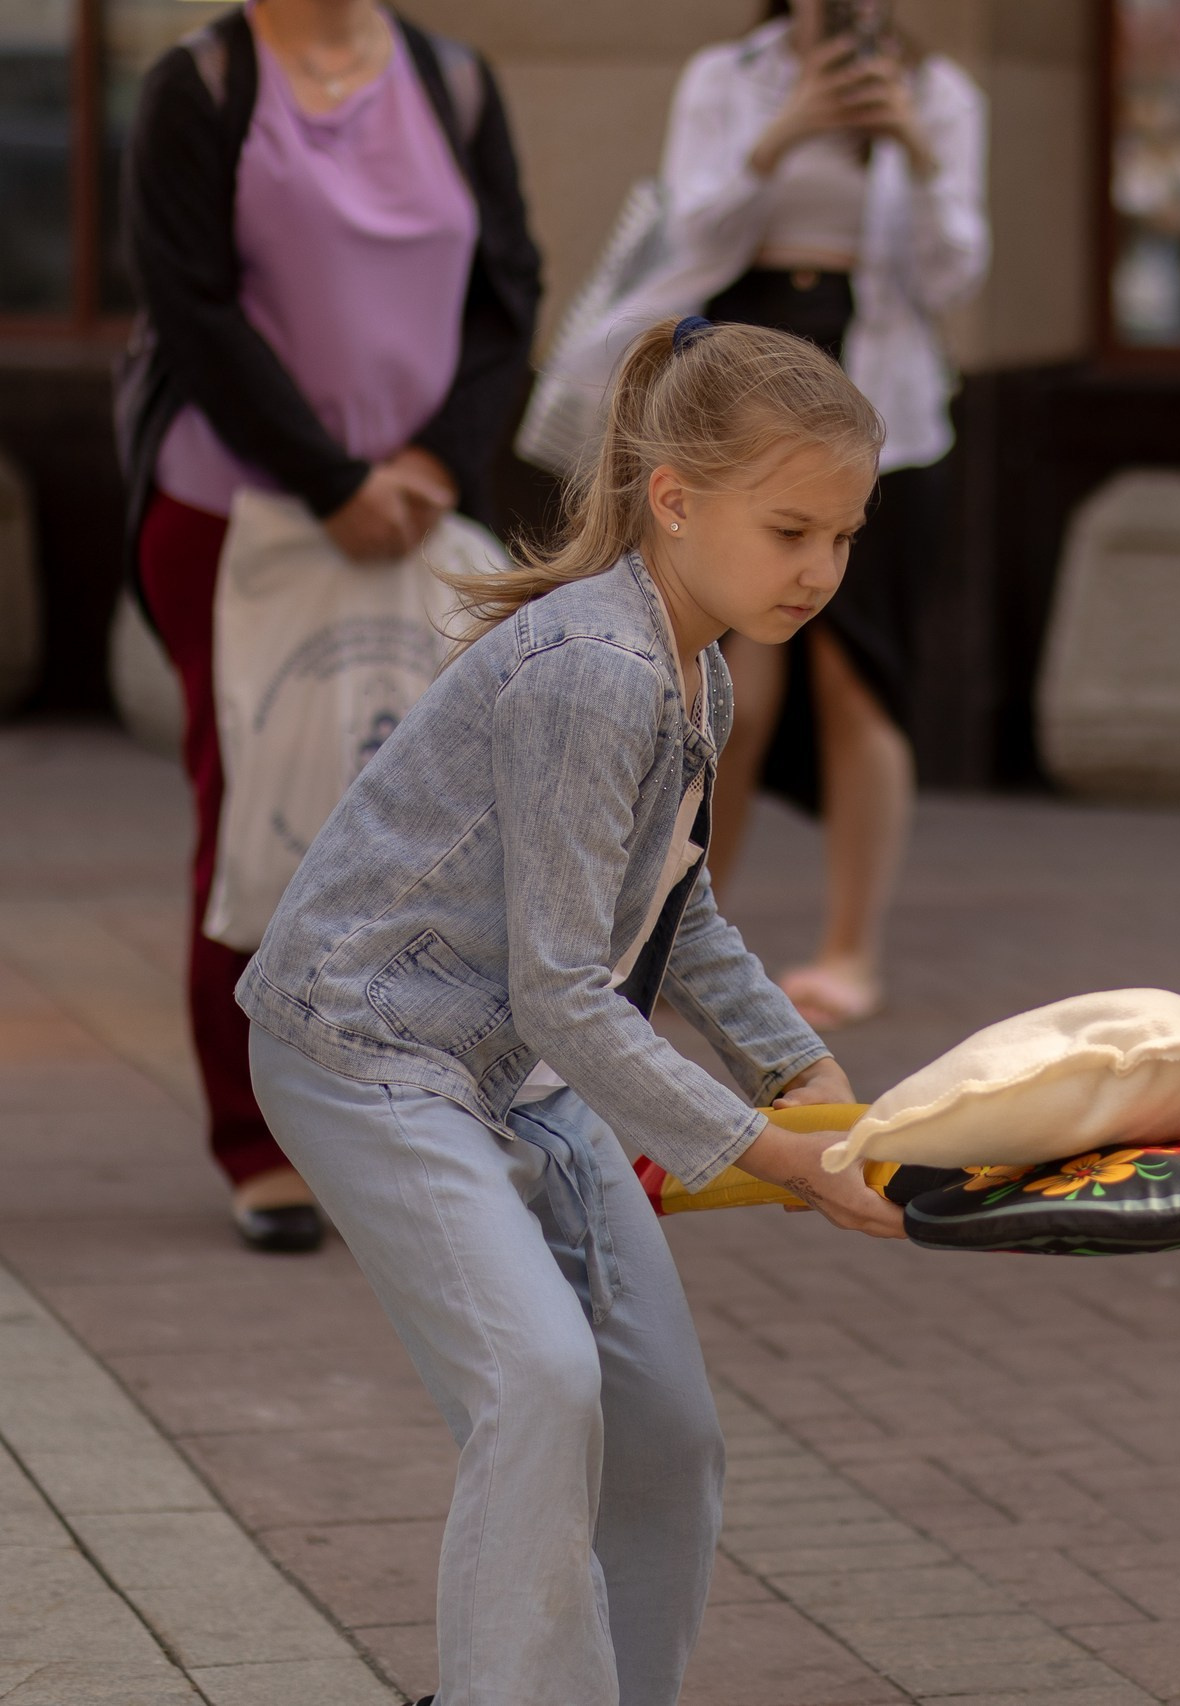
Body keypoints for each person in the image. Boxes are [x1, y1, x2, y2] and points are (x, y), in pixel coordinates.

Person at [239, 318, 905, 1705]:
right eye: (790, 530)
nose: (820, 570)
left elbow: (675, 907)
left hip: (513, 1071)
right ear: (674, 497)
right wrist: (772, 1149)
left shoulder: (695, 664)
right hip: (366, 1054)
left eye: (843, 537)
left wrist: (802, 1073)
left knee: (665, 1440)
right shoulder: (602, 670)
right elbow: (563, 984)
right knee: (539, 1382)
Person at [117, 0, 539, 1252]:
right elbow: (187, 307)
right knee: (267, 813)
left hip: (419, 516)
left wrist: (430, 466)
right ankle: (259, 1141)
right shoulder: (199, 85)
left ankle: (425, 1111)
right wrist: (330, 477)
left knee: (446, 832)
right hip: (244, 518)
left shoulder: (454, 83)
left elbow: (509, 292)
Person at [554, 0, 986, 1030]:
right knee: (726, 675)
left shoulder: (939, 93)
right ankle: (684, 928)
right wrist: (782, 131)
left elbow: (953, 273)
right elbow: (689, 228)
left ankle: (852, 946)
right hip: (746, 376)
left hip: (885, 398)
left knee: (858, 678)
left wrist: (917, 156)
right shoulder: (725, 79)